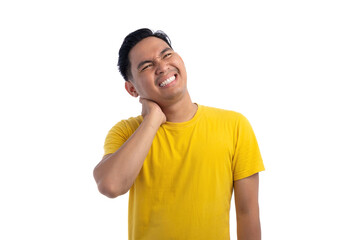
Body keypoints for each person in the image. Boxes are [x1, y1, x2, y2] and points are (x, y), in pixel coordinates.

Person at [93, 28, 265, 240]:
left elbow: (247, 214)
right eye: (147, 66)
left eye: (166, 55)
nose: (162, 67)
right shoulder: (126, 132)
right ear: (132, 90)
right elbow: (110, 185)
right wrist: (152, 119)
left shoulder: (235, 125)